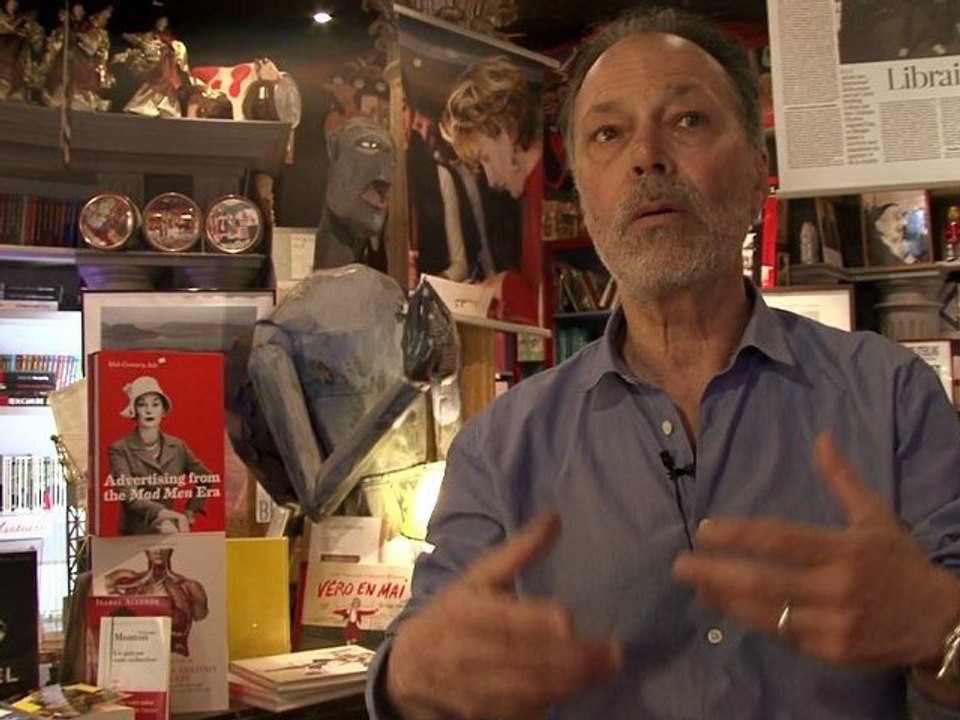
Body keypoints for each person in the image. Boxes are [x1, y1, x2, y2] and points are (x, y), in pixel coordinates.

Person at [366, 7, 960, 720]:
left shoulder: (893, 397)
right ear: (583, 195)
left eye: (687, 121)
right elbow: (425, 653)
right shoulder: (501, 448)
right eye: (608, 134)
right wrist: (412, 680)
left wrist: (941, 633)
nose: (646, 155)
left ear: (757, 174)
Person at [108, 375, 213, 535]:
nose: (149, 410)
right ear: (134, 410)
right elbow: (130, 496)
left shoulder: (178, 447)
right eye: (142, 405)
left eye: (155, 404)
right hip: (134, 534)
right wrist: (171, 515)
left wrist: (191, 510)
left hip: (170, 529)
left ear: (163, 410)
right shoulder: (120, 449)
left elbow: (206, 478)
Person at [104, 546, 208, 657]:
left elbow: (199, 616)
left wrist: (165, 605)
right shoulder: (129, 581)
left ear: (171, 550)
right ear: (146, 550)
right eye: (153, 547)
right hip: (137, 657)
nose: (158, 551)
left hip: (176, 657)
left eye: (164, 546)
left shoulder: (190, 586)